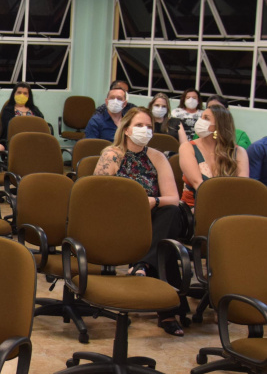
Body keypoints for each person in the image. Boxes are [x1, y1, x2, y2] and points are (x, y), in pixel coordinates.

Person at [94, 107, 186, 336]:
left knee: (172, 215)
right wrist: (134, 204)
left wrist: (152, 201)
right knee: (166, 247)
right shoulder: (112, 154)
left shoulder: (157, 156)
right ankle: (169, 310)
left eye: (149, 126)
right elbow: (96, 196)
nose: (145, 130)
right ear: (126, 129)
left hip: (154, 218)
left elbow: (173, 198)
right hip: (120, 220)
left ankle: (142, 265)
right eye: (139, 125)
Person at [178, 106, 248, 209]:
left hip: (230, 207)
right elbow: (198, 184)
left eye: (206, 118)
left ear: (219, 125)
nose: (200, 121)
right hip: (195, 207)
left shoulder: (239, 152)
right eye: (201, 117)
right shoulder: (188, 148)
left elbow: (243, 187)